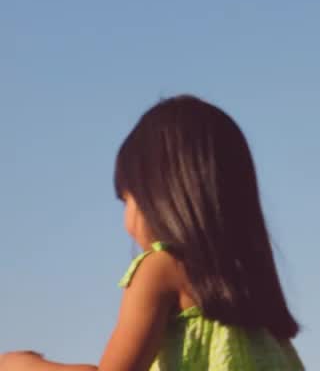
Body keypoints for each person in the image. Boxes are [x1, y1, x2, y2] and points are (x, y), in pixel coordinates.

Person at [0, 95, 304, 371]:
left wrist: (22, 365)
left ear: (158, 196)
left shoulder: (159, 269)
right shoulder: (257, 307)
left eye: (127, 200)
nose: (126, 220)